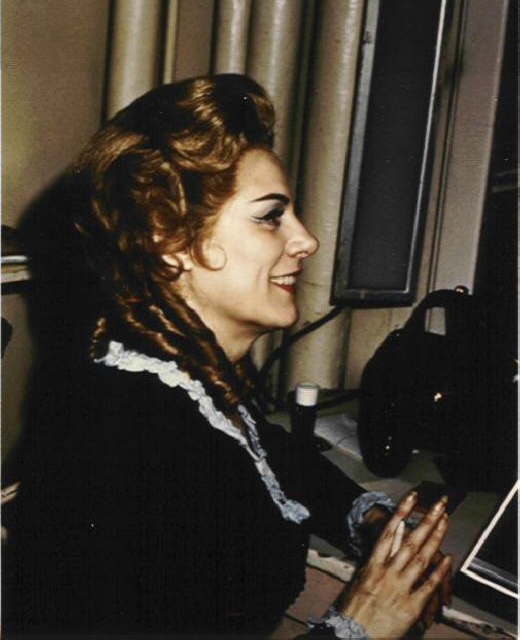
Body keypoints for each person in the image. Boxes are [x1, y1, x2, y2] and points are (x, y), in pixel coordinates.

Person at [4, 74, 451, 637]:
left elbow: (265, 455)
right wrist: (360, 625)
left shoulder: (174, 375)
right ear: (169, 238)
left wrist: (369, 518)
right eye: (270, 216)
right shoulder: (124, 436)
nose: (306, 241)